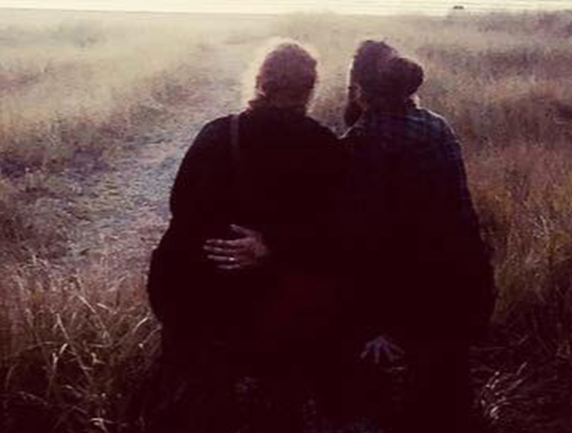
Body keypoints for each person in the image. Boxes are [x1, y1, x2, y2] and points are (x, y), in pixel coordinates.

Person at [146, 40, 348, 433]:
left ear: (260, 82)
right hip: (275, 301)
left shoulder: (219, 132)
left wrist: (226, 245)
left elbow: (182, 208)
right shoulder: (326, 146)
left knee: (201, 394)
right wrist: (272, 246)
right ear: (310, 88)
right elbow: (339, 231)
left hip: (198, 292)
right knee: (279, 393)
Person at [342, 40, 496, 433]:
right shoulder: (437, 126)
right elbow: (459, 213)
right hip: (452, 275)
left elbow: (365, 241)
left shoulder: (356, 145)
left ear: (360, 90)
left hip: (394, 288)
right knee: (446, 381)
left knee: (378, 385)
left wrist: (374, 319)